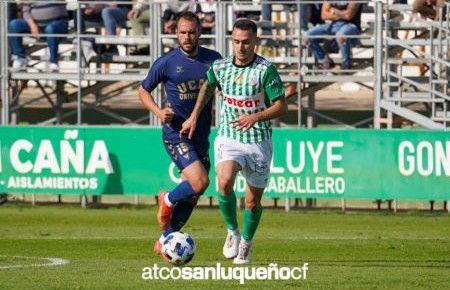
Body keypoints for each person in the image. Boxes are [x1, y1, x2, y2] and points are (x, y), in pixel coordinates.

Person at [180, 19, 288, 264]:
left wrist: (256, 117)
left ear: (255, 42)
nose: (241, 47)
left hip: (259, 141)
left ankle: (247, 242)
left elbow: (282, 106)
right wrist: (194, 116)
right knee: (225, 181)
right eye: (237, 42)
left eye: (246, 42)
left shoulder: (265, 70)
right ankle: (232, 231)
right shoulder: (221, 66)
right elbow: (208, 86)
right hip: (229, 137)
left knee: (252, 202)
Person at [138, 11, 221, 259]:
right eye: (183, 32)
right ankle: (167, 198)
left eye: (192, 32)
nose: (187, 36)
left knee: (194, 194)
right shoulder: (166, 62)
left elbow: (223, 86)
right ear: (176, 33)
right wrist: (157, 111)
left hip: (201, 135)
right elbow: (143, 91)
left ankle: (165, 239)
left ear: (200, 33)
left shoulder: (213, 60)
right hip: (176, 134)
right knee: (200, 182)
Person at [303, 1, 362, 70]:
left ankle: (346, 63)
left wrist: (333, 11)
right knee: (306, 36)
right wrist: (342, 14)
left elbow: (348, 15)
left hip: (351, 26)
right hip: (333, 25)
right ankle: (324, 60)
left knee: (341, 35)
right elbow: (324, 15)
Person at [9, 2, 68, 71]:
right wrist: (32, 25)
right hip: (36, 24)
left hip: (58, 24)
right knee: (14, 24)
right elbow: (25, 11)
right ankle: (20, 57)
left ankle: (54, 61)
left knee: (50, 29)